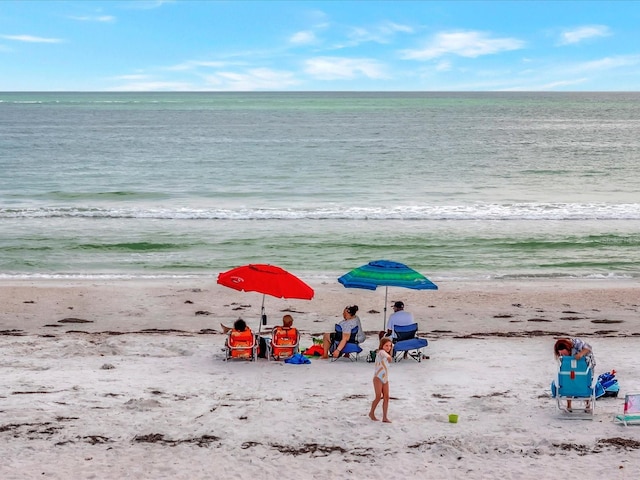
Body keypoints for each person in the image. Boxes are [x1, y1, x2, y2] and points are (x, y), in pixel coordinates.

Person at [554, 337, 595, 412]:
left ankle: (587, 405)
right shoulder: (562, 353)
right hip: (570, 366)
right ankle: (569, 405)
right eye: (560, 353)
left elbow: (588, 348)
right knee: (568, 382)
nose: (562, 355)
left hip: (584, 365)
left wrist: (580, 354)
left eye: (563, 353)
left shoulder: (576, 343)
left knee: (586, 383)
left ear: (567, 348)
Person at [369, 336, 393, 423]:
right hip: (377, 378)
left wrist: (390, 353)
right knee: (378, 396)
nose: (388, 347)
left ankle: (385, 417)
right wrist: (389, 357)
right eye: (386, 345)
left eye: (389, 346)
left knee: (386, 397)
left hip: (385, 378)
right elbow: (384, 354)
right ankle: (371, 413)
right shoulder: (381, 353)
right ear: (382, 345)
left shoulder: (387, 354)